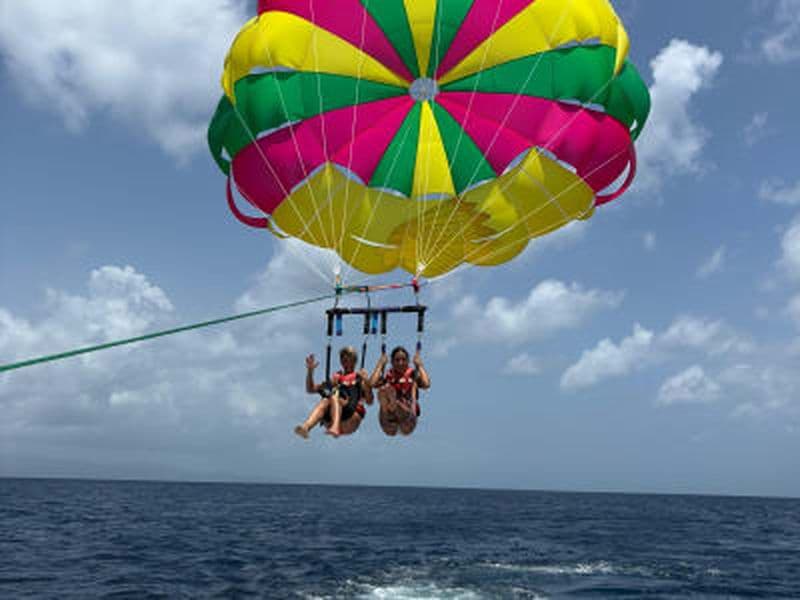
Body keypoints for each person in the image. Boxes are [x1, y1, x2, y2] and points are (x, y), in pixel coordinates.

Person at [294, 347, 372, 439]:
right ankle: (306, 427)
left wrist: (366, 382)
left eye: (347, 360)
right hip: (331, 418)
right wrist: (310, 371)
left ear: (354, 361)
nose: (344, 363)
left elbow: (369, 401)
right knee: (325, 400)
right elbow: (310, 389)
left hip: (351, 417)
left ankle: (335, 427)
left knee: (334, 396)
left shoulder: (359, 377)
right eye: (343, 360)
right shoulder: (337, 378)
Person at [369, 346, 430, 436]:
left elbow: (426, 384)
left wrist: (419, 365)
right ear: (392, 362)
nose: (400, 363)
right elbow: (372, 383)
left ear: (408, 361)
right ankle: (389, 409)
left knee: (389, 392)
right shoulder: (388, 375)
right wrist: (380, 364)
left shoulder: (413, 374)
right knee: (383, 391)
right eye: (397, 360)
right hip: (388, 421)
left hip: (407, 418)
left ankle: (393, 405)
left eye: (403, 360)